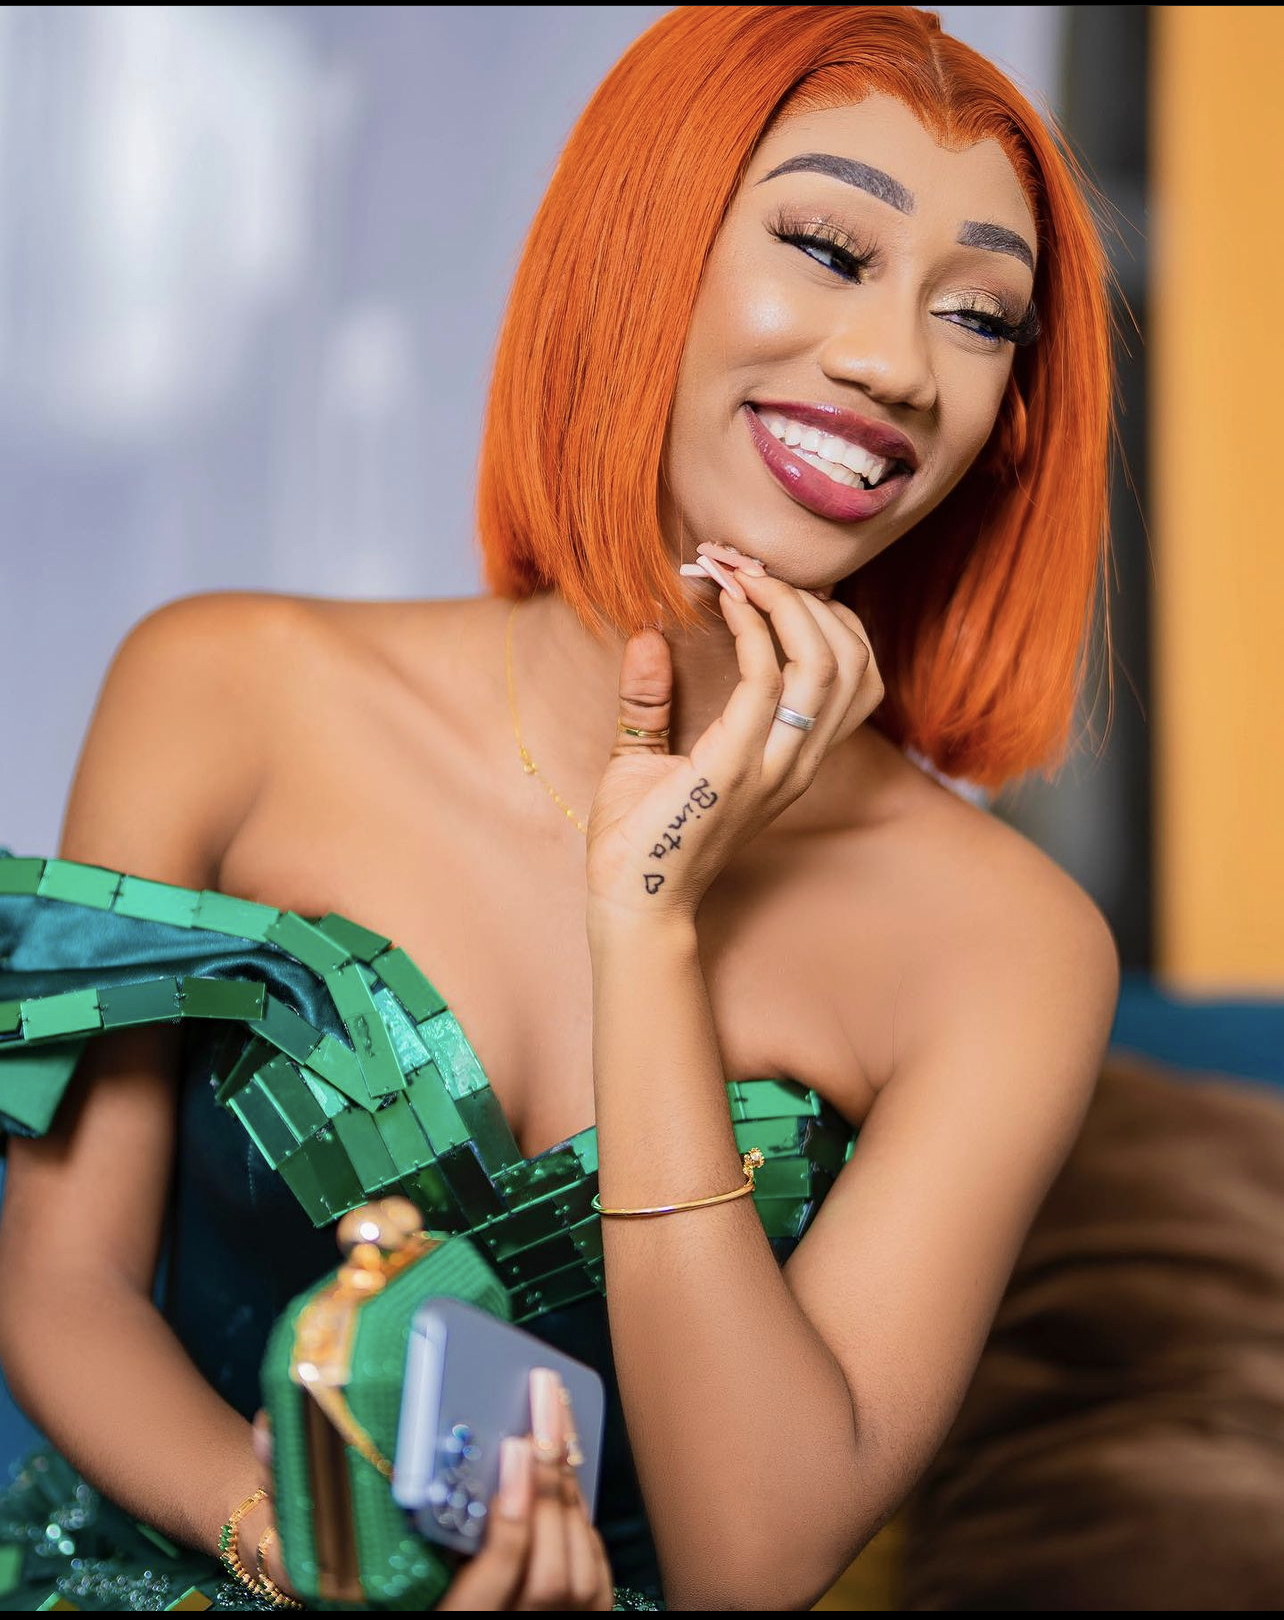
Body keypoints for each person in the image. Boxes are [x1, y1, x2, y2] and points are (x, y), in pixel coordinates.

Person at [0, 5, 1121, 1611]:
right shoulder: (218, 690)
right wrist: (306, 1552)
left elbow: (754, 1560)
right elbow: (63, 1284)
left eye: (980, 315)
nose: (895, 365)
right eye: (826, 247)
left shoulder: (1012, 949)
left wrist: (647, 925)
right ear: (638, 252)